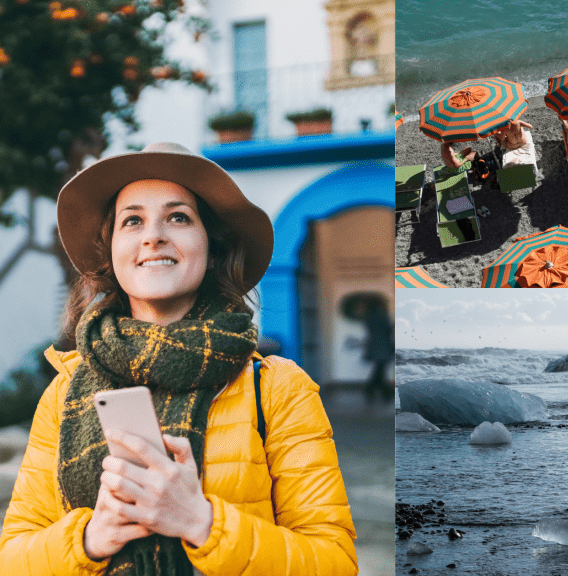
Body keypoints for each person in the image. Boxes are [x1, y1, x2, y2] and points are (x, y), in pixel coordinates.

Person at [0, 142, 358, 575]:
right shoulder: (65, 391)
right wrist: (92, 538)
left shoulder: (278, 388)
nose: (153, 235)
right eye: (132, 220)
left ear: (211, 250)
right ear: (111, 254)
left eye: (178, 217)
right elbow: (13, 558)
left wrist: (200, 522)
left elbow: (335, 562)